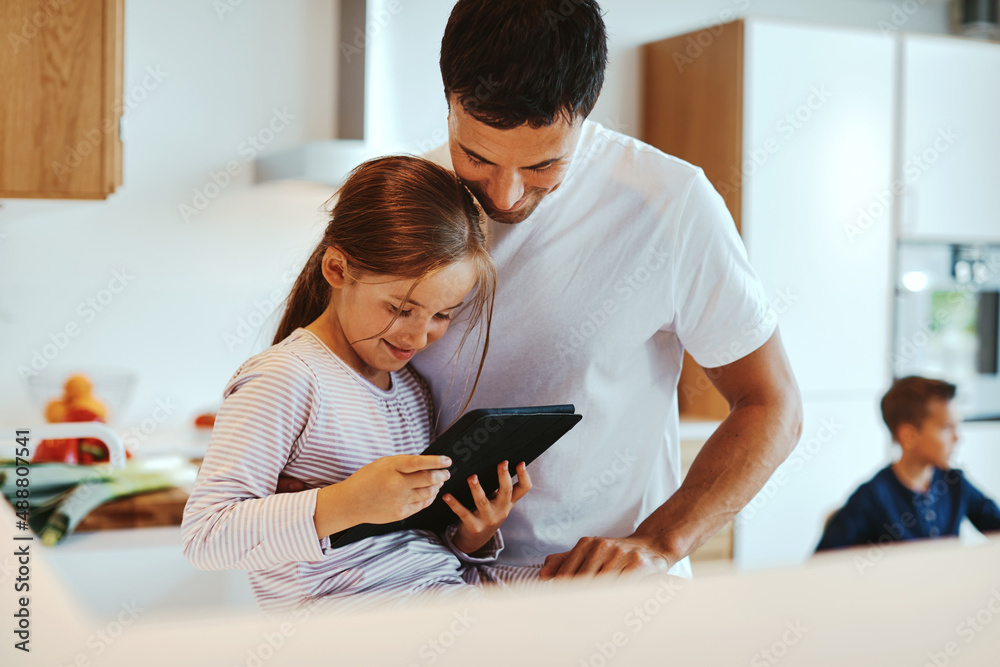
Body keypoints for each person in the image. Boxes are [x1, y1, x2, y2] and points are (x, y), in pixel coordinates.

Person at [408, 0, 803, 579]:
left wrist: (661, 542)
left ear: (587, 115)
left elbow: (774, 405)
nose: (506, 194)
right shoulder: (409, 202)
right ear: (449, 105)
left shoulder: (670, 202)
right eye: (476, 156)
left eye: (542, 166)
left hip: (612, 595)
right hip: (442, 583)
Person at [182, 156, 541, 614]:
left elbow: (410, 543)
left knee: (611, 589)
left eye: (442, 315)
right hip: (348, 624)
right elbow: (205, 536)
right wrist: (347, 502)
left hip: (440, 595)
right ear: (337, 270)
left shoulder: (409, 387)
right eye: (400, 308)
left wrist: (473, 532)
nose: (417, 336)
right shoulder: (285, 378)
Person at [816, 376, 1000, 551]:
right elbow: (820, 564)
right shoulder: (872, 497)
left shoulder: (954, 482)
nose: (957, 437)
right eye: (947, 427)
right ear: (909, 436)